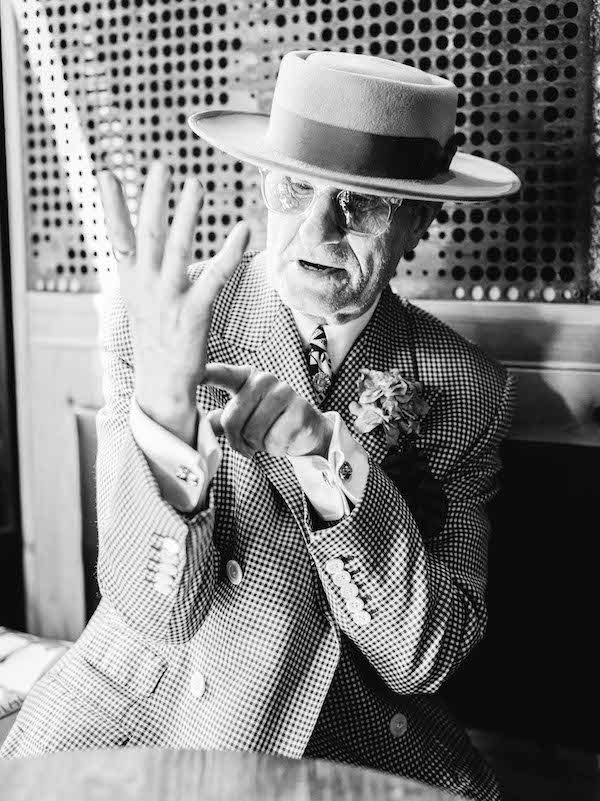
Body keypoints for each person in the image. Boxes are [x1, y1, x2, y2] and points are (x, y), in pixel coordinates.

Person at [1, 51, 519, 800]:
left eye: (363, 202)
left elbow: (421, 657)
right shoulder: (158, 322)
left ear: (420, 221)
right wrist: (165, 407)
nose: (317, 227)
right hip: (148, 713)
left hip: (344, 738)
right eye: (296, 186)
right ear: (265, 183)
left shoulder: (469, 388)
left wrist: (329, 466)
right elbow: (157, 610)